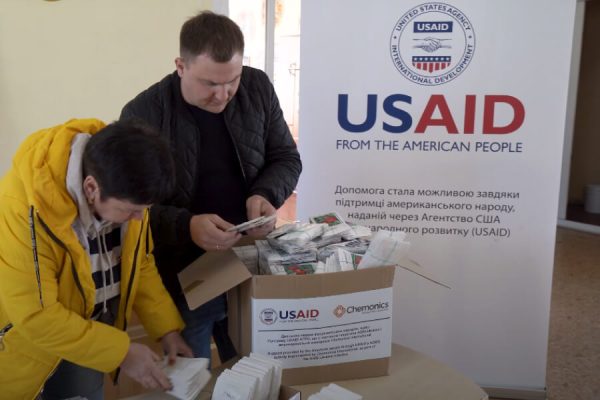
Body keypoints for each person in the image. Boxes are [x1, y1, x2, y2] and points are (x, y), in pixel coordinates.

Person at [120, 10, 302, 363]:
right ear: (181, 66)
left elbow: (286, 158)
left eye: (232, 80)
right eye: (209, 84)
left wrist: (266, 194)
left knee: (257, 366)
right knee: (193, 369)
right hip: (184, 270)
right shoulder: (143, 114)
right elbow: (129, 208)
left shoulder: (257, 87)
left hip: (250, 258)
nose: (223, 95)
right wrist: (187, 226)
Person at [0, 118, 193, 400]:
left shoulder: (125, 187)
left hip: (89, 334)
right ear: (91, 188)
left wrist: (167, 330)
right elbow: (36, 316)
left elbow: (139, 264)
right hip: (24, 343)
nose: (139, 218)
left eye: (145, 209)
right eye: (130, 210)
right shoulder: (24, 209)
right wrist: (122, 352)